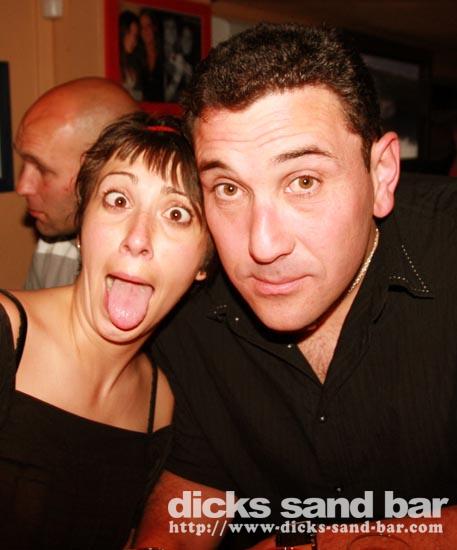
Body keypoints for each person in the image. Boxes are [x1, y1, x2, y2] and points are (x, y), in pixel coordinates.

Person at [134, 23, 457, 549]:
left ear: (381, 174)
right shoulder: (187, 312)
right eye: (228, 188)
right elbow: (191, 498)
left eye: (303, 182)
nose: (262, 245)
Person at [0, 112, 209, 549]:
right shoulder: (7, 334)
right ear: (81, 224)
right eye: (117, 200)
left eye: (176, 213)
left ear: (205, 261)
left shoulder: (162, 405)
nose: (138, 238)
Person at [15, 77, 138, 290]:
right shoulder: (53, 246)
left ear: (101, 171)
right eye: (24, 162)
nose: (22, 187)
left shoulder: (151, 262)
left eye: (42, 169)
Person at [119, 10, 144, 101]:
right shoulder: (114, 61)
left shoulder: (133, 62)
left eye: (136, 36)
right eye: (130, 33)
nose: (134, 40)